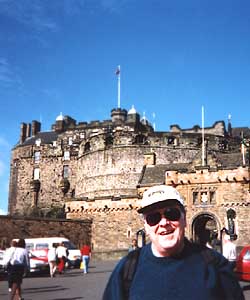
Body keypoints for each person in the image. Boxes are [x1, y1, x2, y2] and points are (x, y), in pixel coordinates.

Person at [103, 185, 244, 300]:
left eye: (171, 214)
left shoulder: (215, 264)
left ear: (184, 219)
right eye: (153, 218)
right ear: (145, 226)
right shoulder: (127, 269)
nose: (164, 222)